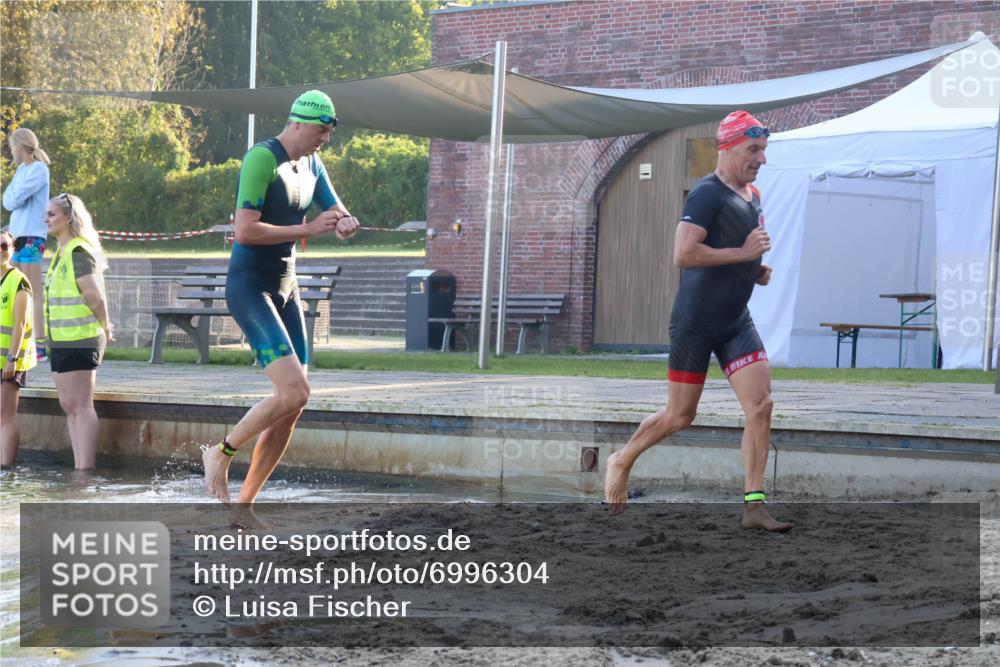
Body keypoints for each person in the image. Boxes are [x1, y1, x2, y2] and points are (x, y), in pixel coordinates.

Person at [604, 110, 792, 532]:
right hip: (695, 323)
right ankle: (621, 460)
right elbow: (684, 255)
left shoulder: (753, 194)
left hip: (735, 322)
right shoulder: (706, 194)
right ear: (726, 148)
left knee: (761, 405)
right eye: (753, 149)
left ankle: (754, 505)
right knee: (679, 417)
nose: (761, 158)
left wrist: (752, 271)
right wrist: (744, 255)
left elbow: (732, 252)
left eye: (763, 150)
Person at [202, 90, 358, 505]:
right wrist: (310, 230)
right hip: (250, 284)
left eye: (328, 133)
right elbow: (246, 231)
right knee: (293, 391)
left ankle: (243, 504)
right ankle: (220, 453)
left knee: (294, 404)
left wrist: (344, 222)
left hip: (287, 285)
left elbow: (336, 209)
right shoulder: (262, 158)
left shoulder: (312, 163)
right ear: (299, 124)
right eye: (321, 131)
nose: (325, 139)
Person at [44, 193, 112, 470]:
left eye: (51, 214)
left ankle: (85, 471)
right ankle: (79, 467)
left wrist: (106, 326)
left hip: (81, 338)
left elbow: (94, 296)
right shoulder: (61, 251)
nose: (46, 219)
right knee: (68, 404)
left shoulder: (78, 250)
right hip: (61, 339)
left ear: (68, 217)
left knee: (81, 405)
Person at [2, 128, 50, 362]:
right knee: (18, 291)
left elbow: (15, 198)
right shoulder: (21, 170)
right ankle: (24, 340)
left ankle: (40, 343)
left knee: (32, 292)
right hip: (18, 234)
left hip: (32, 236)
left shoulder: (39, 170)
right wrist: (12, 197)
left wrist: (12, 197)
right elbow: (8, 199)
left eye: (13, 146)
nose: (12, 151)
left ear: (21, 147)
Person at [1, 230, 37, 467]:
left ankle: (5, 469)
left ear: (12, 249)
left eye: (4, 246)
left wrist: (12, 359)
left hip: (10, 360)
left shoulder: (18, 281)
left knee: (5, 416)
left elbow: (21, 324)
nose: (0, 250)